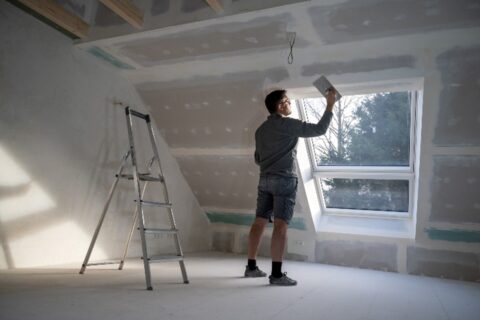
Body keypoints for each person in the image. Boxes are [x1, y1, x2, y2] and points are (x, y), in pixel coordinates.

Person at [245, 88, 336, 286]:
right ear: (280, 106)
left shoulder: (260, 130)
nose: (290, 104)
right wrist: (330, 104)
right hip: (284, 180)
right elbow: (320, 129)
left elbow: (258, 159)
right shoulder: (287, 125)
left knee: (259, 221)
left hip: (265, 180)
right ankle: (276, 275)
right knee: (280, 225)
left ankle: (251, 267)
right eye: (287, 101)